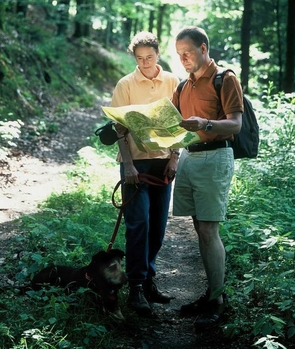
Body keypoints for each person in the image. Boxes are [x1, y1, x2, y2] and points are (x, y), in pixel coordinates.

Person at [171, 26, 243, 330]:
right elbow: (172, 124)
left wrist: (206, 124)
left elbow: (236, 124)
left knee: (210, 229)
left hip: (215, 156)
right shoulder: (182, 85)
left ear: (203, 48)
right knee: (200, 227)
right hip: (189, 157)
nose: (183, 59)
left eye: (187, 52)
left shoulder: (224, 78)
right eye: (178, 55)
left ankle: (217, 302)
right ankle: (210, 294)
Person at [110, 31, 179, 315]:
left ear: (158, 55)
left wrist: (175, 158)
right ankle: (136, 288)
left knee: (158, 228)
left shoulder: (173, 81)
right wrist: (128, 164)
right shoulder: (125, 84)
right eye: (139, 59)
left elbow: (180, 123)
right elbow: (119, 128)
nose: (145, 63)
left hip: (163, 163)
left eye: (149, 57)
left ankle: (149, 280)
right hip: (135, 164)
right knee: (138, 224)